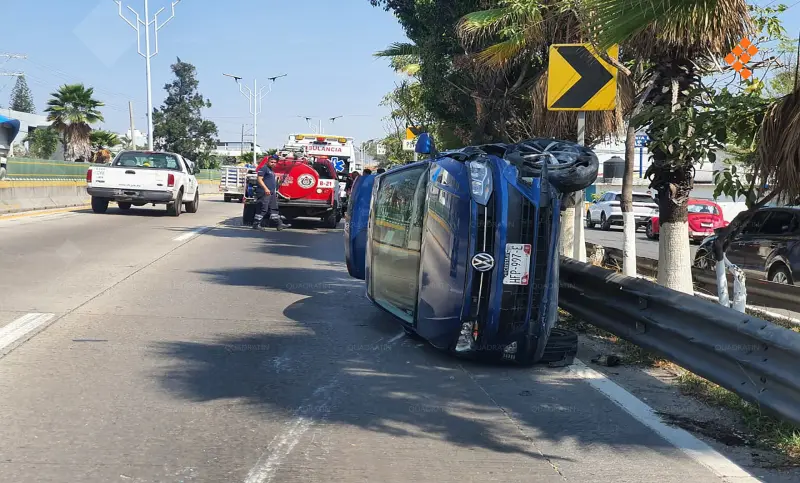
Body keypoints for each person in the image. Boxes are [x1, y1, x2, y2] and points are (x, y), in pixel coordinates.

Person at [252, 155, 288, 231]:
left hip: (271, 193)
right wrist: (266, 189)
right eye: (271, 162)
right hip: (264, 192)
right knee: (263, 208)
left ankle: (279, 224)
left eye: (275, 162)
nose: (273, 163)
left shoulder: (271, 170)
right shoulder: (264, 168)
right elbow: (259, 179)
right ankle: (256, 224)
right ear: (268, 161)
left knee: (274, 209)